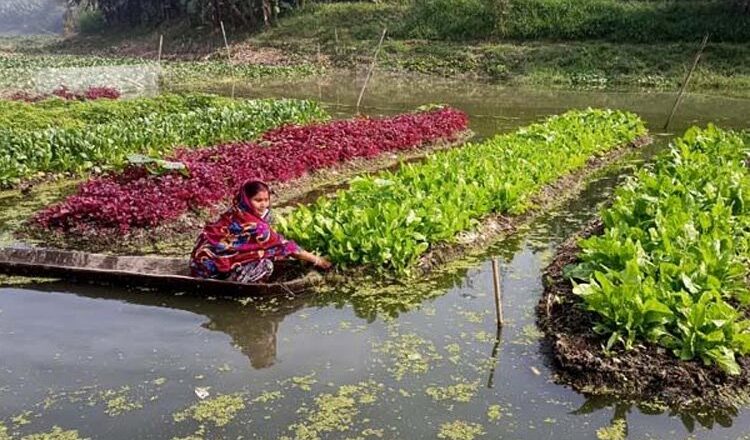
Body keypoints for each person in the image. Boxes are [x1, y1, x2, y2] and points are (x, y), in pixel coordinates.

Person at [190, 180, 331, 283]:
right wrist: (317, 260)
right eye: (258, 200)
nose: (263, 205)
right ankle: (233, 282)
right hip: (210, 270)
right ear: (246, 200)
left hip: (200, 264)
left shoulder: (236, 211)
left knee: (270, 252)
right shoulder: (256, 226)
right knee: (266, 265)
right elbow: (285, 246)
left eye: (266, 200)